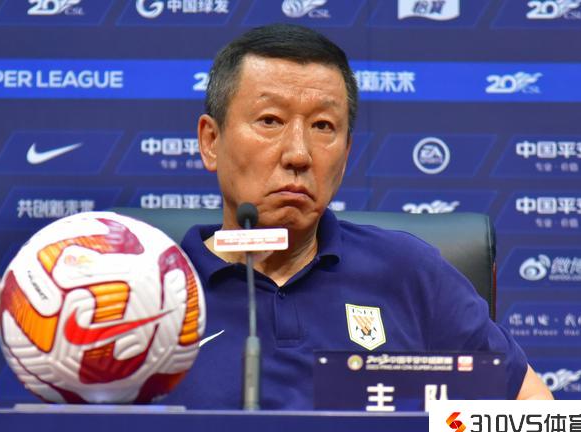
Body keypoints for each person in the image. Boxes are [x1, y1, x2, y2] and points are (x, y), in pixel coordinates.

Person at [163, 23, 553, 409]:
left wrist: (440, 431)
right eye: (270, 121)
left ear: (347, 153)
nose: (298, 153)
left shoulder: (409, 272)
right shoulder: (156, 291)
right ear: (210, 141)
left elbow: (533, 408)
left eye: (322, 126)